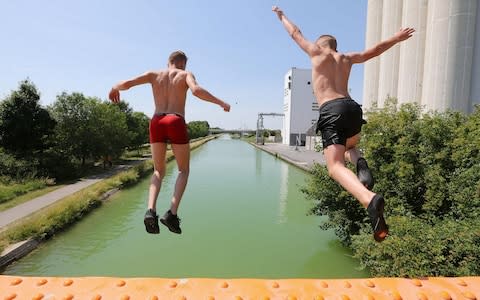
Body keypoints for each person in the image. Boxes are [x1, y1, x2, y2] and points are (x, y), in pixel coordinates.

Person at [272, 6, 415, 242]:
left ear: (320, 44)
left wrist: (281, 15)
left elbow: (295, 33)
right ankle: (360, 162)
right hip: (353, 108)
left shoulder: (317, 53)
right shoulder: (347, 58)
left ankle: (369, 199)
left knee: (335, 167)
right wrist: (397, 38)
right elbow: (375, 51)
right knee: (350, 148)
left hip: (332, 109)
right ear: (336, 46)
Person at [109, 51, 230, 234]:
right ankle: (171, 214)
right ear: (183, 64)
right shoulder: (185, 75)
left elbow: (127, 83)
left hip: (156, 121)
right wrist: (221, 103)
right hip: (175, 120)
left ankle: (151, 211)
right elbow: (196, 90)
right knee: (183, 170)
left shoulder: (153, 74)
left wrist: (114, 88)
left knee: (158, 171)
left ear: (169, 62)